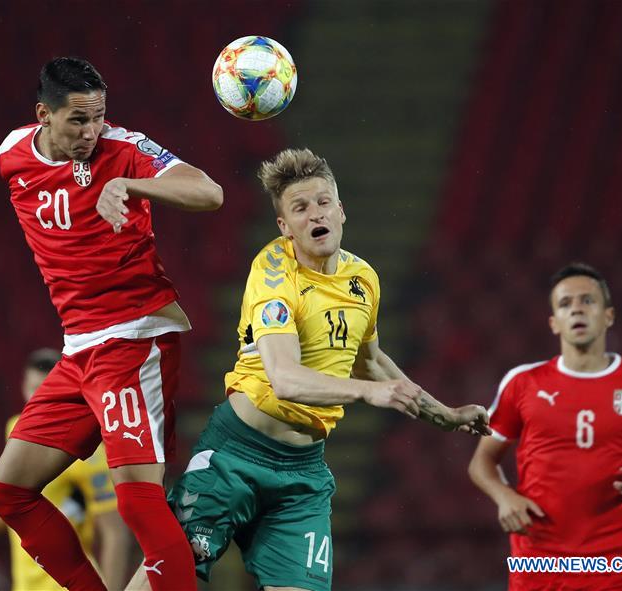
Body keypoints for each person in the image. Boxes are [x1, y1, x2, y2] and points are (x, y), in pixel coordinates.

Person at [129, 148, 490, 591]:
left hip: (302, 474)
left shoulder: (364, 279)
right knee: (166, 580)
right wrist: (364, 392)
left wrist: (445, 415)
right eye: (299, 208)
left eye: (322, 202)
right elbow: (284, 378)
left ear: (341, 210)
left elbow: (372, 359)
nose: (314, 213)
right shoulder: (274, 273)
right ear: (285, 226)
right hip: (234, 457)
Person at [0, 56, 223, 591]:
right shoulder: (10, 155)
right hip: (79, 352)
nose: (92, 132)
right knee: (9, 492)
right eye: (78, 121)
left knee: (137, 501)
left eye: (99, 118)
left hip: (135, 338)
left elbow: (209, 193)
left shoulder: (124, 148)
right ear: (42, 115)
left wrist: (133, 189)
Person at [468, 263, 622, 591]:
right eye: (565, 304)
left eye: (587, 301)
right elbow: (481, 462)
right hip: (537, 558)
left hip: (612, 561)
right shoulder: (523, 383)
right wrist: (504, 497)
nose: (576, 309)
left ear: (609, 316)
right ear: (554, 323)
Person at [0, 349, 133, 591]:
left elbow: (114, 532)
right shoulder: (15, 429)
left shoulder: (87, 451)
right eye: (32, 389)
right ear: (23, 386)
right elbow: (24, 500)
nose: (37, 398)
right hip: (25, 585)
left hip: (65, 584)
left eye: (44, 390)